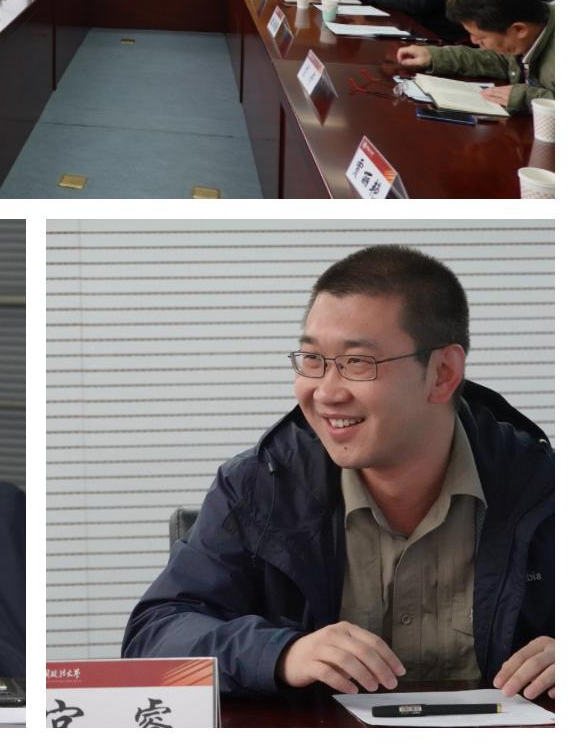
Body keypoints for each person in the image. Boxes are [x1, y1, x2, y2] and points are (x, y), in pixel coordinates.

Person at [122, 246, 553, 700]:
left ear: (443, 373)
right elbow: (154, 637)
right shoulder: (260, 487)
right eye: (312, 360)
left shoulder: (544, 489)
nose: (326, 393)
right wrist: (281, 654)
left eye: (356, 363)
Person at [396, 0, 554, 115]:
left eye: (481, 37)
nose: (474, 41)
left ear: (519, 30)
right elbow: (501, 60)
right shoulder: (523, 29)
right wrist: (435, 56)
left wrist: (525, 98)